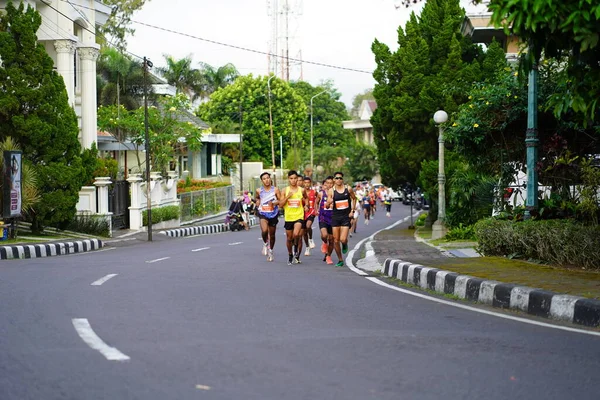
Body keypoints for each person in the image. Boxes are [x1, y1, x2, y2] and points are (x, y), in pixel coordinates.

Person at [325, 172, 357, 267]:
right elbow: (327, 205)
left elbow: (354, 199)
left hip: (345, 217)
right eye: (337, 178)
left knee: (342, 239)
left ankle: (345, 244)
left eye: (340, 178)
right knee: (336, 240)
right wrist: (329, 202)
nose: (338, 180)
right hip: (335, 217)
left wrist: (352, 210)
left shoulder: (348, 188)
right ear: (334, 179)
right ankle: (340, 259)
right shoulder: (331, 191)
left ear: (342, 179)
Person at [281, 170, 307, 265]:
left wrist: (306, 205)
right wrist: (287, 197)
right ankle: (290, 254)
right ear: (288, 179)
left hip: (299, 216)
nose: (293, 180)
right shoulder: (285, 190)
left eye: (295, 178)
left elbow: (306, 198)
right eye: (291, 178)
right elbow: (280, 204)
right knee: (289, 238)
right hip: (288, 217)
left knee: (296, 234)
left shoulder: (302, 190)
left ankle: (295, 248)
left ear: (297, 179)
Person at [255, 172, 281, 262]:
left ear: (270, 179)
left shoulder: (276, 190)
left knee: (272, 235)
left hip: (273, 214)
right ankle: (265, 243)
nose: (266, 180)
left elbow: (280, 201)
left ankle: (271, 251)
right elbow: (257, 198)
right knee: (264, 230)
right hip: (263, 213)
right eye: (264, 179)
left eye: (268, 178)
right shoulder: (259, 190)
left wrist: (274, 203)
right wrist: (257, 201)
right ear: (262, 181)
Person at [316, 176, 334, 264]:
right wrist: (316, 210)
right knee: (324, 235)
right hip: (323, 217)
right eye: (328, 183)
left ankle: (328, 256)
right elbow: (316, 202)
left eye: (331, 183)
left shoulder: (336, 194)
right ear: (325, 184)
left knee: (331, 240)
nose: (329, 185)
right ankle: (324, 242)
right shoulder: (321, 193)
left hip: (333, 218)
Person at [302, 176, 317, 256]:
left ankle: (310, 239)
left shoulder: (314, 192)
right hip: (303, 213)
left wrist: (317, 209)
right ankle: (307, 247)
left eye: (308, 183)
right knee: (304, 232)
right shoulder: (301, 192)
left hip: (311, 212)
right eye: (305, 183)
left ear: (310, 183)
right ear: (303, 183)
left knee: (308, 226)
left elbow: (318, 200)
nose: (307, 184)